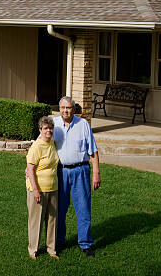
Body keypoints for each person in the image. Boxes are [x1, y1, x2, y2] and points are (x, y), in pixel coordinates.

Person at [53, 96, 100, 257]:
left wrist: (96, 173)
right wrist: (30, 167)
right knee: (59, 209)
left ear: (74, 109)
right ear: (59, 109)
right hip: (61, 172)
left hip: (81, 171)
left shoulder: (83, 125)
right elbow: (40, 145)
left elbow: (93, 151)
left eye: (69, 108)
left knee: (83, 208)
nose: (65, 111)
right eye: (63, 108)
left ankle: (85, 243)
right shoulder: (54, 125)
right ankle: (58, 241)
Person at [26, 116, 60, 260]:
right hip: (38, 188)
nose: (49, 131)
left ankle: (51, 249)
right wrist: (35, 190)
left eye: (50, 128)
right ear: (40, 130)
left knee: (52, 219)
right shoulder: (36, 147)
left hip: (53, 187)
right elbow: (30, 169)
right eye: (45, 128)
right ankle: (33, 249)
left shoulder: (52, 143)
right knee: (36, 220)